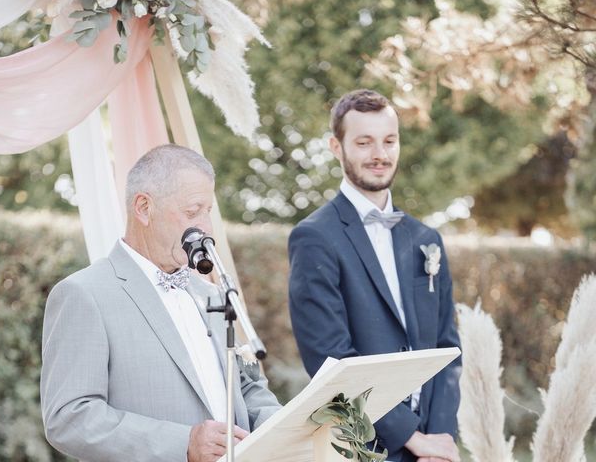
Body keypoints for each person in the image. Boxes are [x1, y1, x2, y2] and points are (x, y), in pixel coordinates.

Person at [41, 144, 281, 462]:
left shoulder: (211, 293)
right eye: (193, 212)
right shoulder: (83, 294)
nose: (205, 228)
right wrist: (182, 442)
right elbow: (69, 417)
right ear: (143, 207)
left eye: (208, 212)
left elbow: (249, 385)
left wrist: (280, 428)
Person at [288, 89, 462, 462]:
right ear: (337, 147)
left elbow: (449, 350)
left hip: (433, 449)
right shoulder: (315, 237)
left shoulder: (426, 240)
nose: (379, 154)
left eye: (389, 141)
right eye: (364, 142)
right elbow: (330, 360)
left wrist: (441, 438)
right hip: (361, 447)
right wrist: (411, 437)